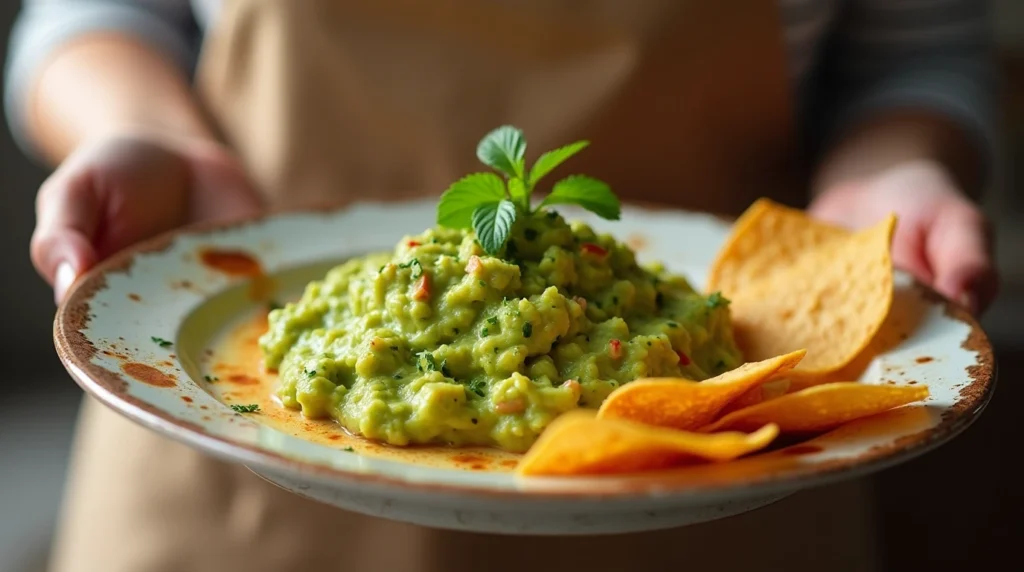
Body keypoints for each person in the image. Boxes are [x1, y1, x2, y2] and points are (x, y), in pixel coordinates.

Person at [4, 1, 1000, 571]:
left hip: (728, 486)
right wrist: (146, 129)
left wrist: (899, 166)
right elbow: (97, 14)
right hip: (226, 474)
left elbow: (912, 51)